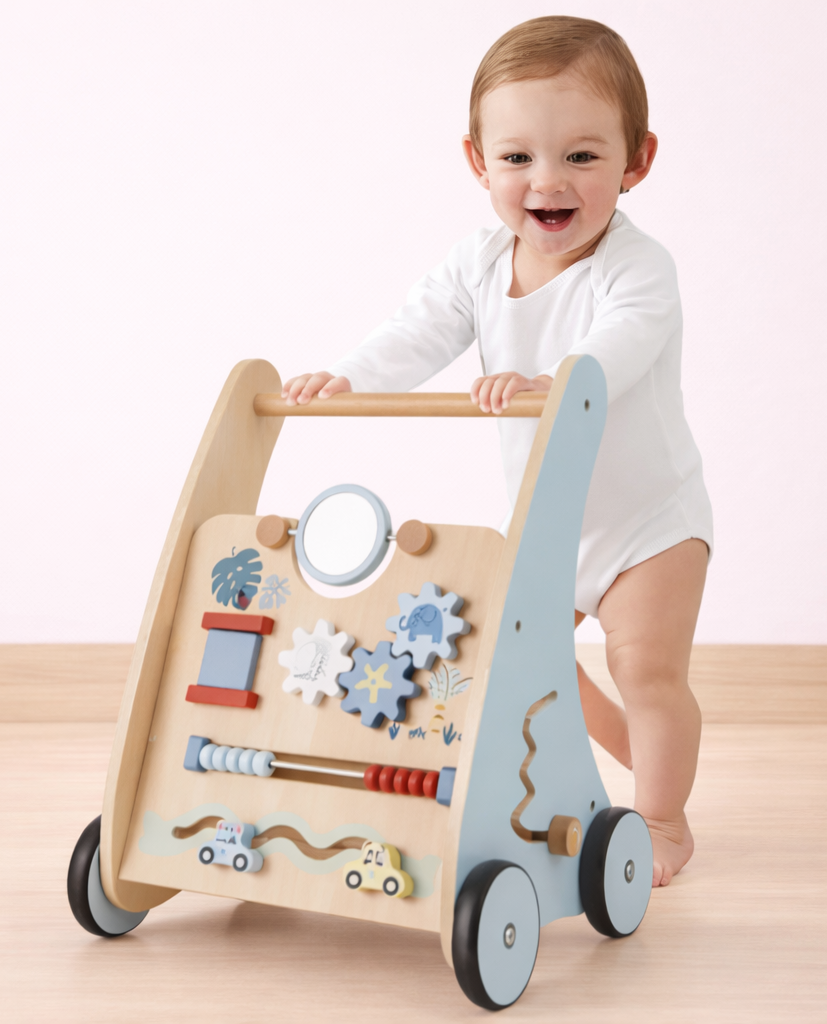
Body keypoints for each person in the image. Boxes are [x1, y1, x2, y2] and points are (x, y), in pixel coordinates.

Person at [281, 15, 713, 887]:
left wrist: (550, 378)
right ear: (479, 162)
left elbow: (621, 345)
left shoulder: (637, 269)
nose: (547, 181)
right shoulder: (477, 265)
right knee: (522, 654)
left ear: (637, 161)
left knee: (644, 668)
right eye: (518, 159)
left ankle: (662, 820)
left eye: (582, 158)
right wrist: (354, 378)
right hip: (552, 521)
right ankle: (630, 754)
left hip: (649, 524)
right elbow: (417, 332)